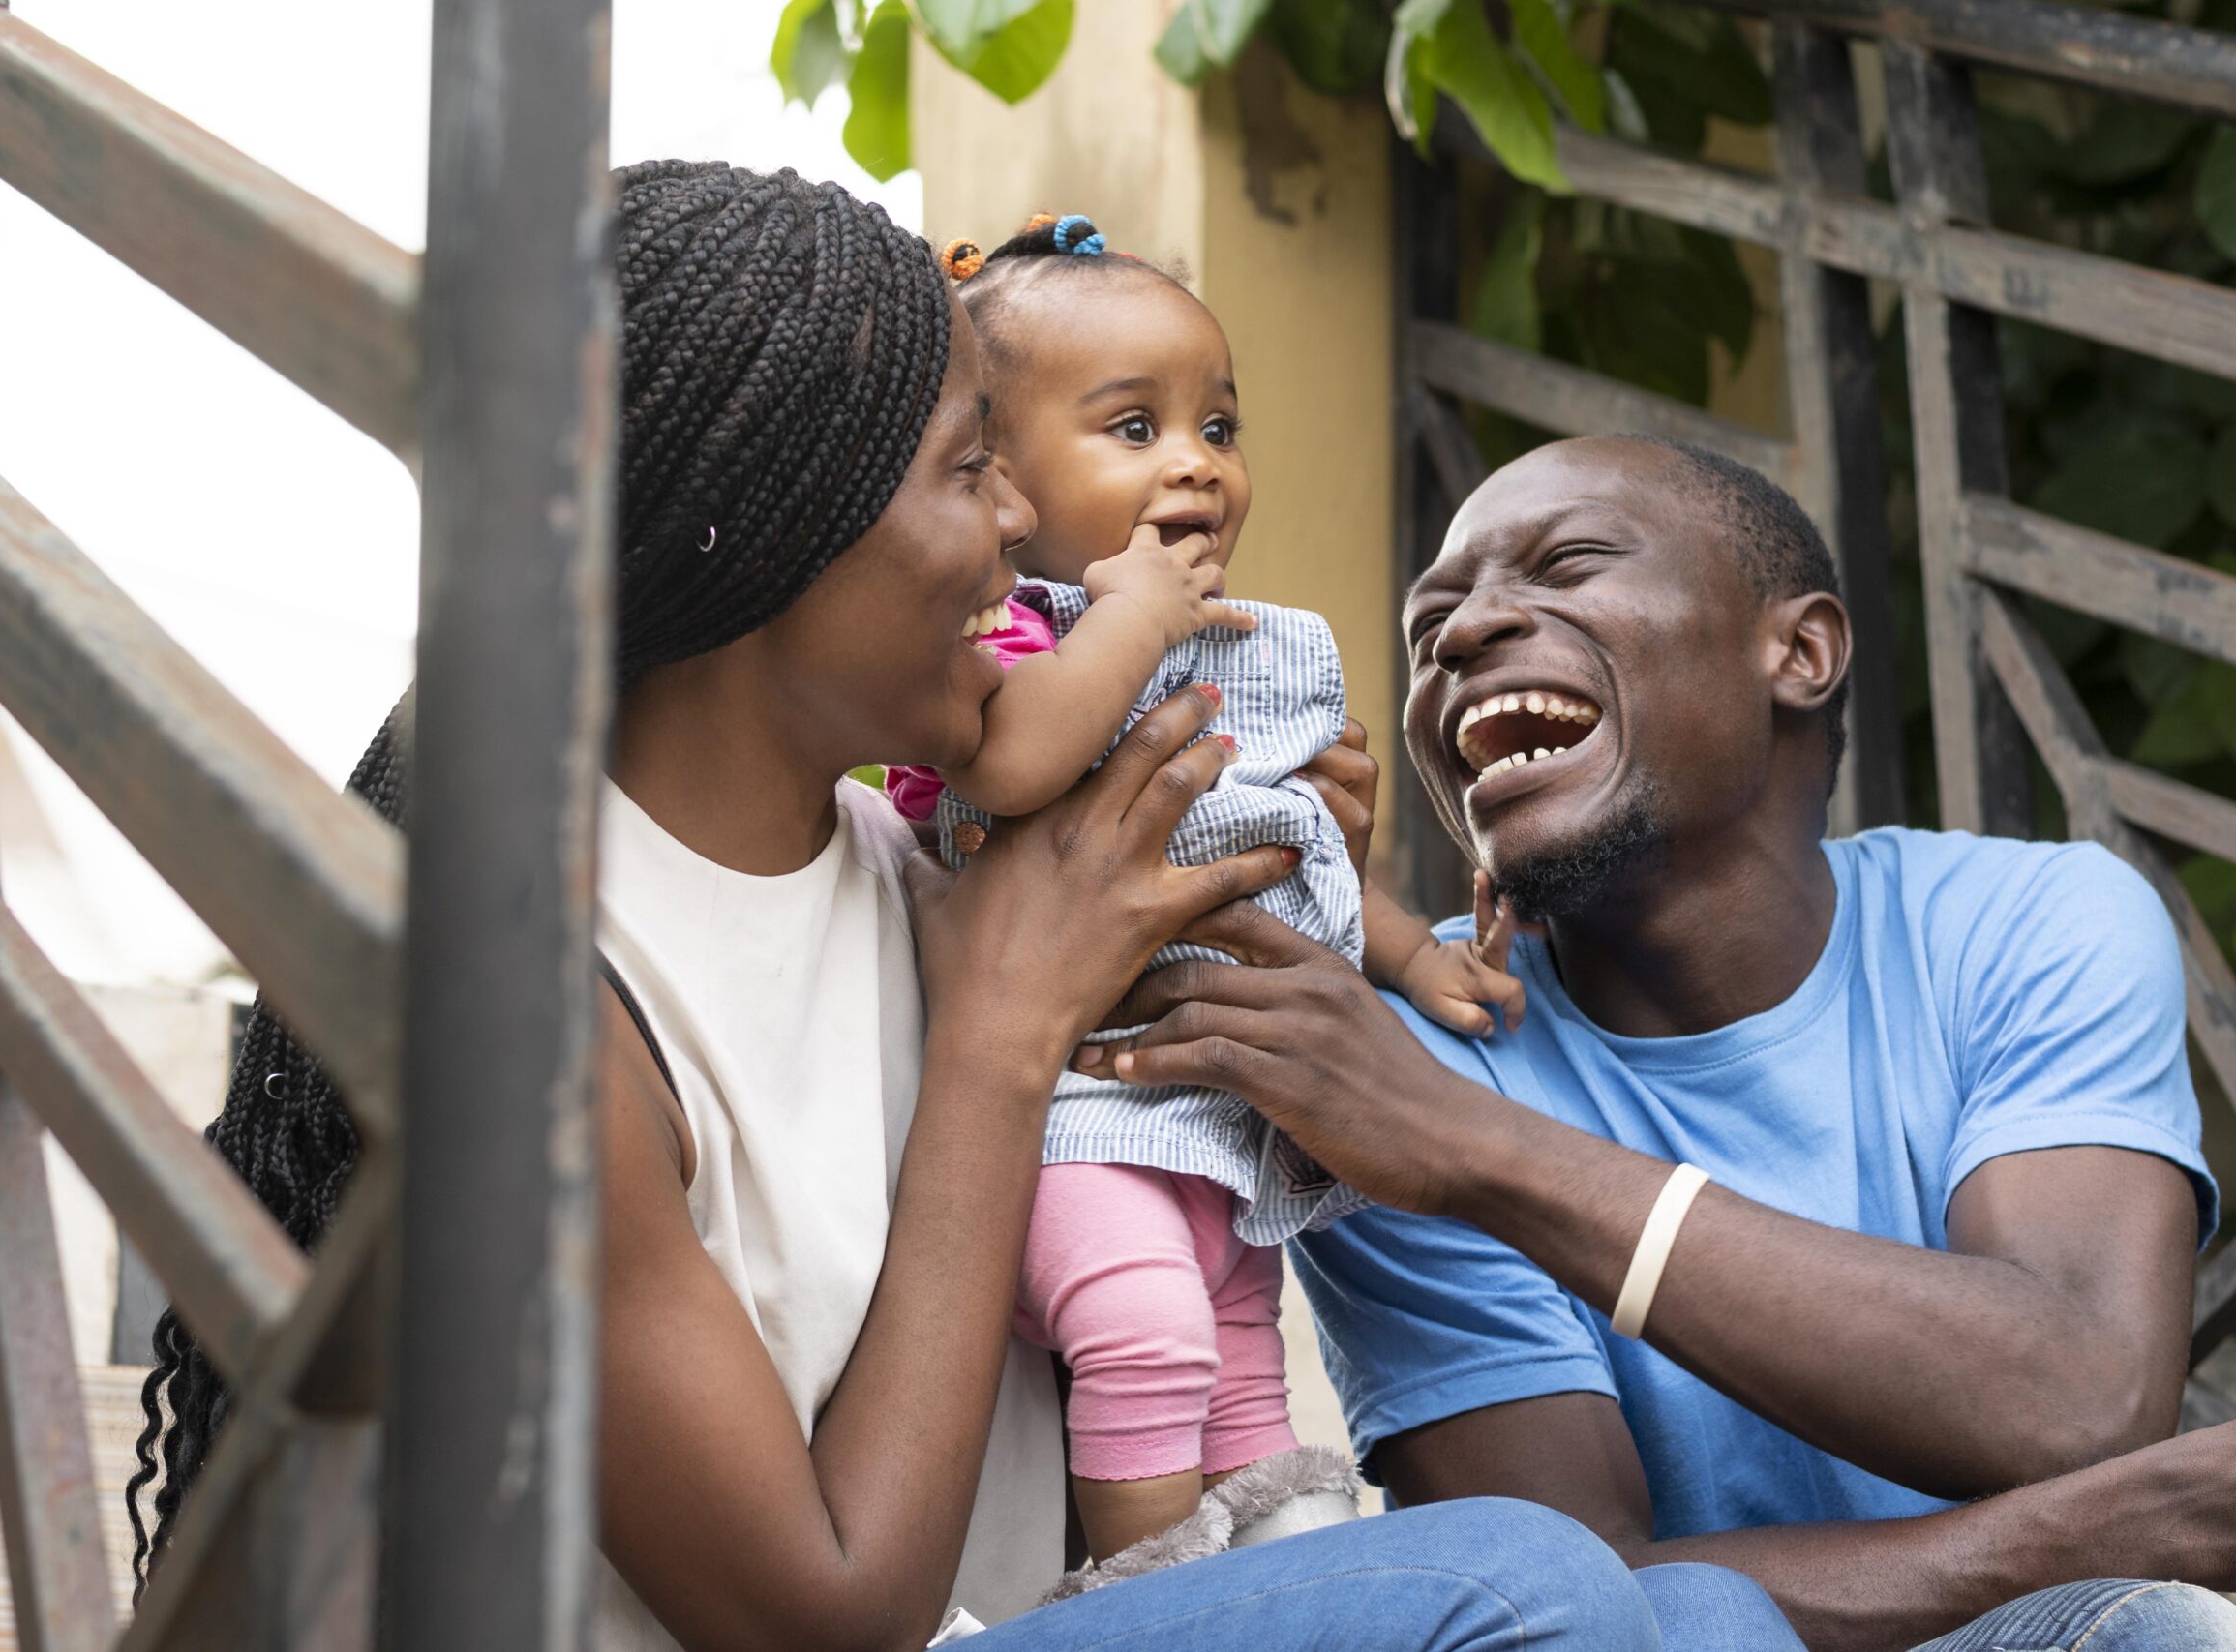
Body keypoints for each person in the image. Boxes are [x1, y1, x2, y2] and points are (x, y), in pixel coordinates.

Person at [124, 168, 1794, 1651]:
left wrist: (1291, 860)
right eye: (965, 468)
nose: (1021, 526)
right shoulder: (554, 1019)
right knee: (1530, 1582)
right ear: (777, 537)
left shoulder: (899, 869)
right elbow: (821, 1615)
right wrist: (1006, 1034)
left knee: (1704, 1612)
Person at [1084, 434, 2236, 1651]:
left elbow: (2073, 1392)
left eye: (1568, 564)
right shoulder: (1381, 1074)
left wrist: (1470, 1149)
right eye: (1431, 625)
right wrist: (2104, 1528)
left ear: (1798, 651)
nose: (1463, 634)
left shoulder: (2025, 924)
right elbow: (1572, 1611)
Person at [877, 210, 1526, 1582]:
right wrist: (1134, 620)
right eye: (1132, 428)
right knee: (1147, 1333)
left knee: (1242, 1371)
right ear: (996, 477)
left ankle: (1289, 1592)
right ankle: (1156, 1608)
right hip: (1072, 1116)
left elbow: (1296, 851)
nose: (1194, 462)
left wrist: (1410, 956)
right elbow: (1014, 758)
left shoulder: (1249, 645)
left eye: (1218, 429)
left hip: (1220, 1131)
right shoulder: (1008, 638)